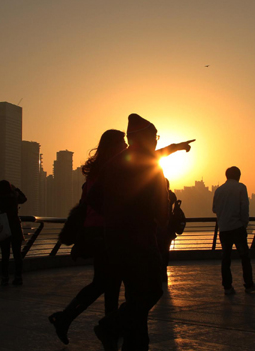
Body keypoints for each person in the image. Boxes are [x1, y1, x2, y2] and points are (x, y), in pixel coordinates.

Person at [90, 114, 170, 351]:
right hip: (141, 241)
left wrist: (115, 215)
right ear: (145, 138)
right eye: (154, 136)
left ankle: (135, 344)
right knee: (153, 289)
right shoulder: (150, 165)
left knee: (135, 296)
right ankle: (110, 325)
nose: (156, 141)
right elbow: (162, 213)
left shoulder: (115, 162)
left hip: (114, 241)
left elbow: (94, 198)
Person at [48, 130, 125, 345]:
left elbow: (84, 205)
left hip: (96, 231)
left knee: (109, 282)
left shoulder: (95, 172)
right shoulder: (111, 171)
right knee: (104, 282)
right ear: (113, 146)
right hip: (103, 232)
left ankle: (108, 326)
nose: (126, 147)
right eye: (122, 143)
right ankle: (66, 318)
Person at [212, 166, 255, 295]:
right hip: (237, 228)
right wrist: (244, 223)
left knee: (226, 258)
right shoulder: (241, 188)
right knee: (244, 257)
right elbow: (244, 207)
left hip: (224, 229)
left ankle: (227, 287)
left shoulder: (218, 190)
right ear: (238, 175)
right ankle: (248, 284)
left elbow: (214, 209)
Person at [0, 180, 27, 286]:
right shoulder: (14, 199)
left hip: (3, 230)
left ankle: (5, 278)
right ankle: (18, 277)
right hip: (15, 229)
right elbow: (24, 198)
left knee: (5, 255)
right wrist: (16, 189)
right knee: (17, 255)